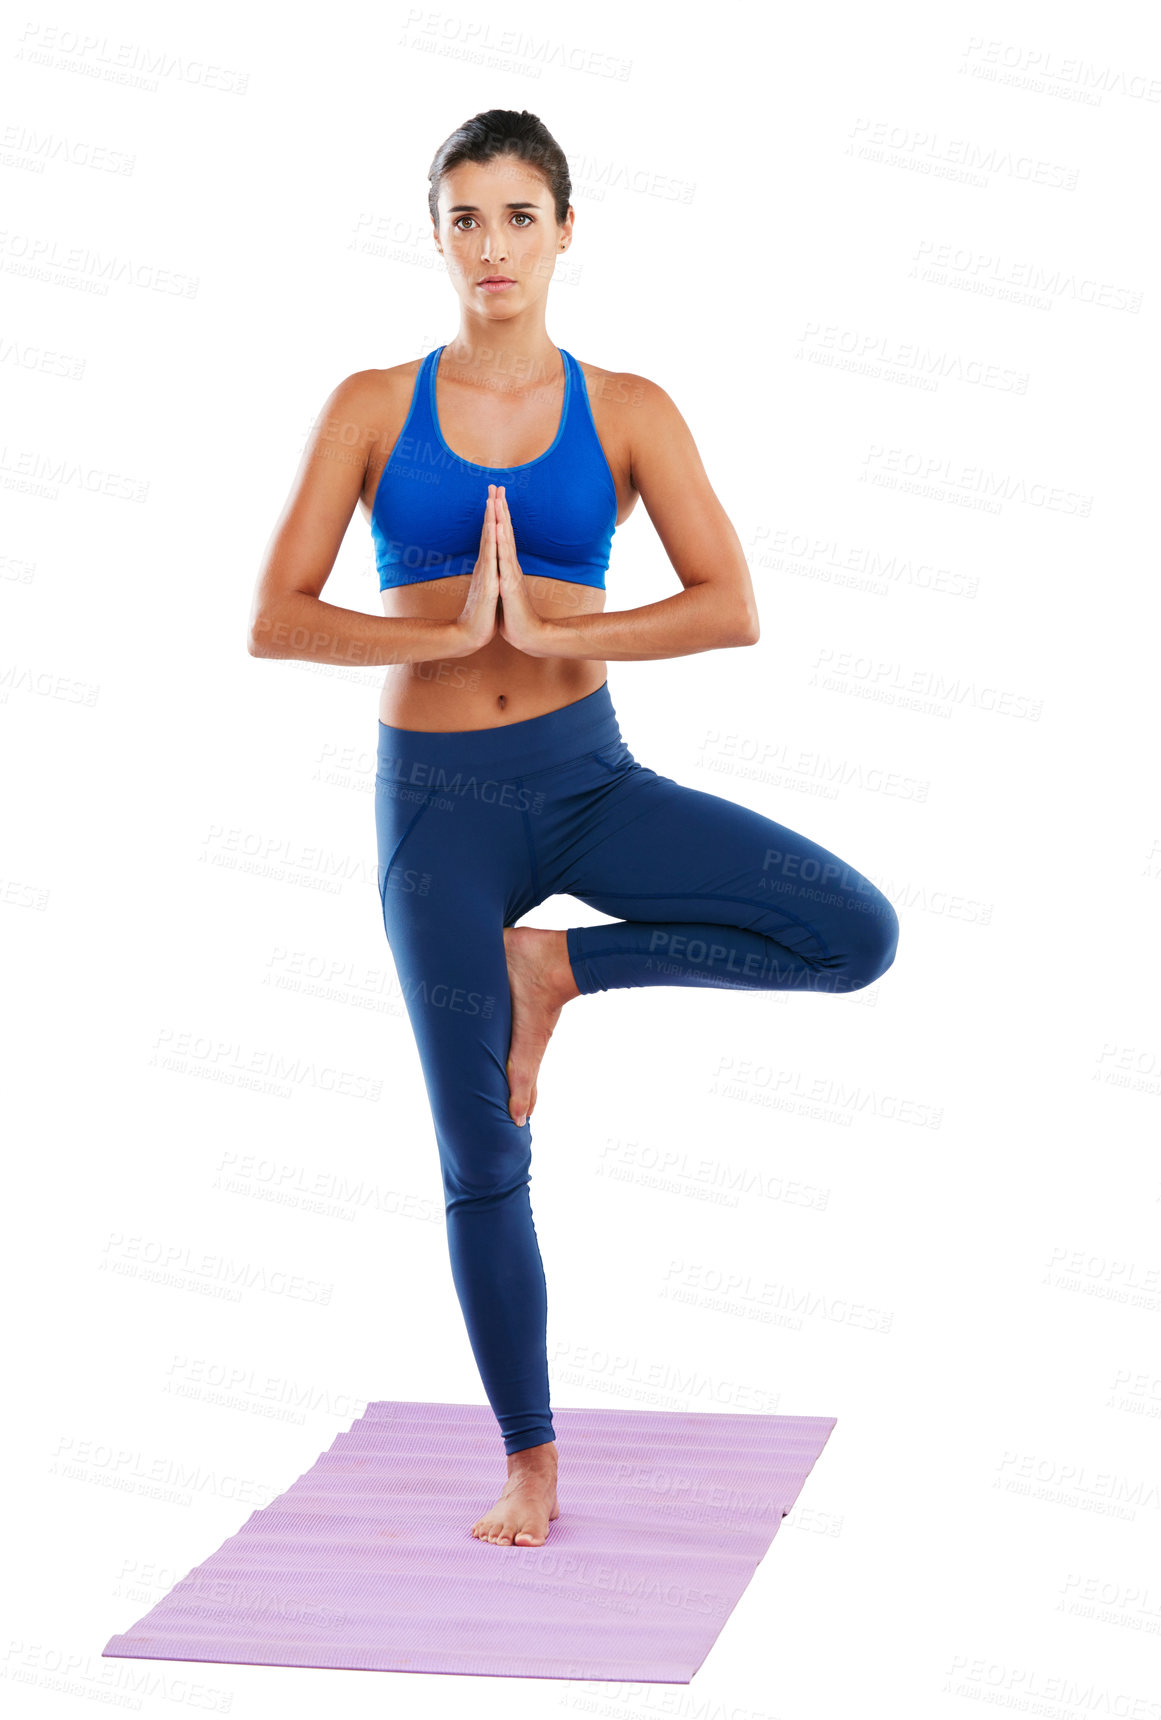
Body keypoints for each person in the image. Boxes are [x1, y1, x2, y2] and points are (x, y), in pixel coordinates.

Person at [248, 108, 899, 1551]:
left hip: (590, 781)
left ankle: (567, 971)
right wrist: (434, 624)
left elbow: (728, 604)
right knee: (482, 1152)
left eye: (519, 216)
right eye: (466, 218)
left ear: (564, 230)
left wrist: (549, 618)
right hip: (438, 812)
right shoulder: (369, 403)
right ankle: (530, 1461)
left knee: (851, 934)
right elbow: (277, 617)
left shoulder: (631, 409)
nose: (492, 245)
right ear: (436, 236)